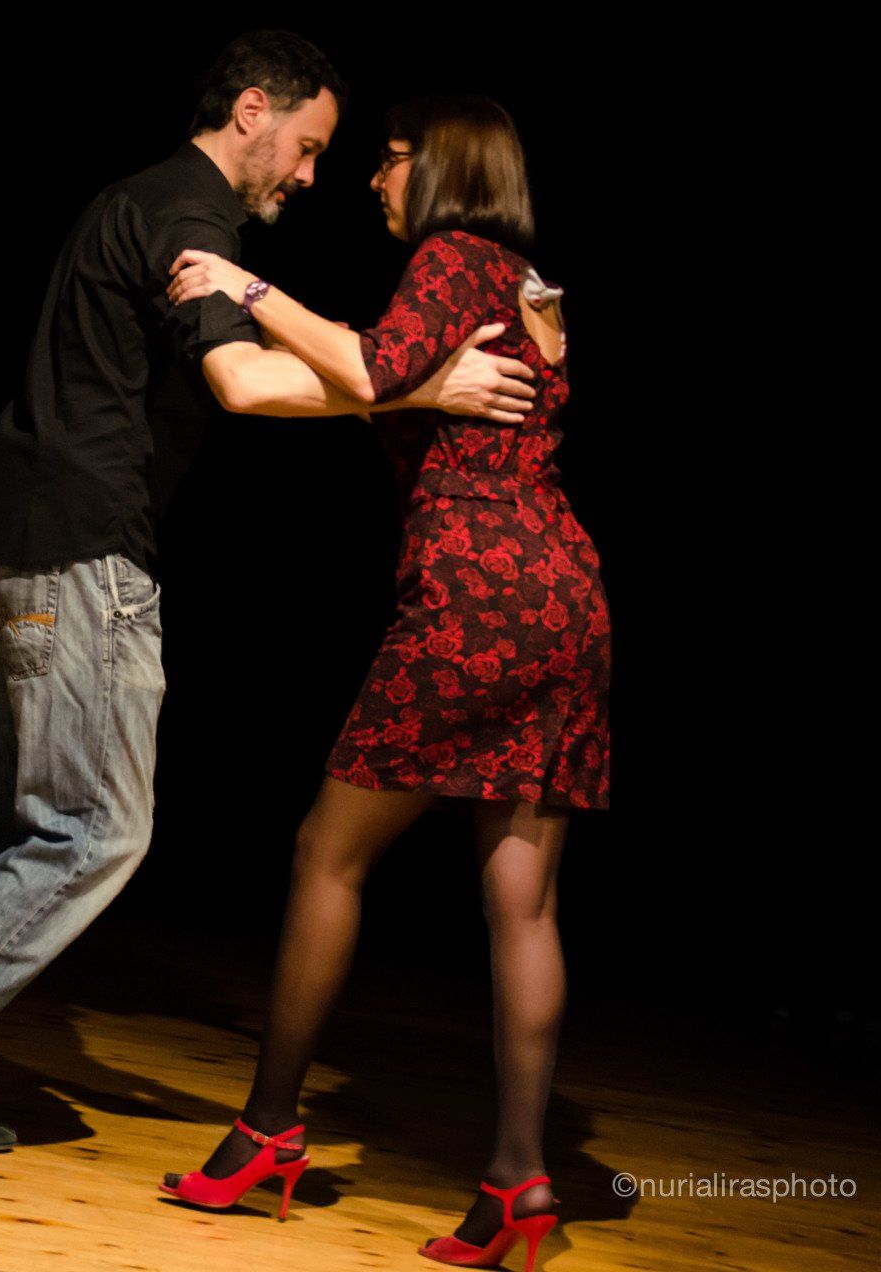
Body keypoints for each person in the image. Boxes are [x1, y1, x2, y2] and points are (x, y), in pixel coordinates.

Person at [0, 33, 541, 1169]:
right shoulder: (193, 217)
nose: (313, 176)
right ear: (252, 111)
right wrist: (414, 389)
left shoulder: (137, 196)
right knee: (99, 830)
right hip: (79, 550)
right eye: (307, 147)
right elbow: (244, 382)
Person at [155, 94, 608, 1272]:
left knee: (329, 852)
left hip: (474, 591)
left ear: (443, 165)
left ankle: (268, 1129)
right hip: (565, 593)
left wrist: (247, 289)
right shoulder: (535, 287)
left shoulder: (452, 258)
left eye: (393, 158)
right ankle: (520, 1180)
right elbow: (383, 386)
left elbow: (368, 364)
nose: (374, 178)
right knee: (525, 904)